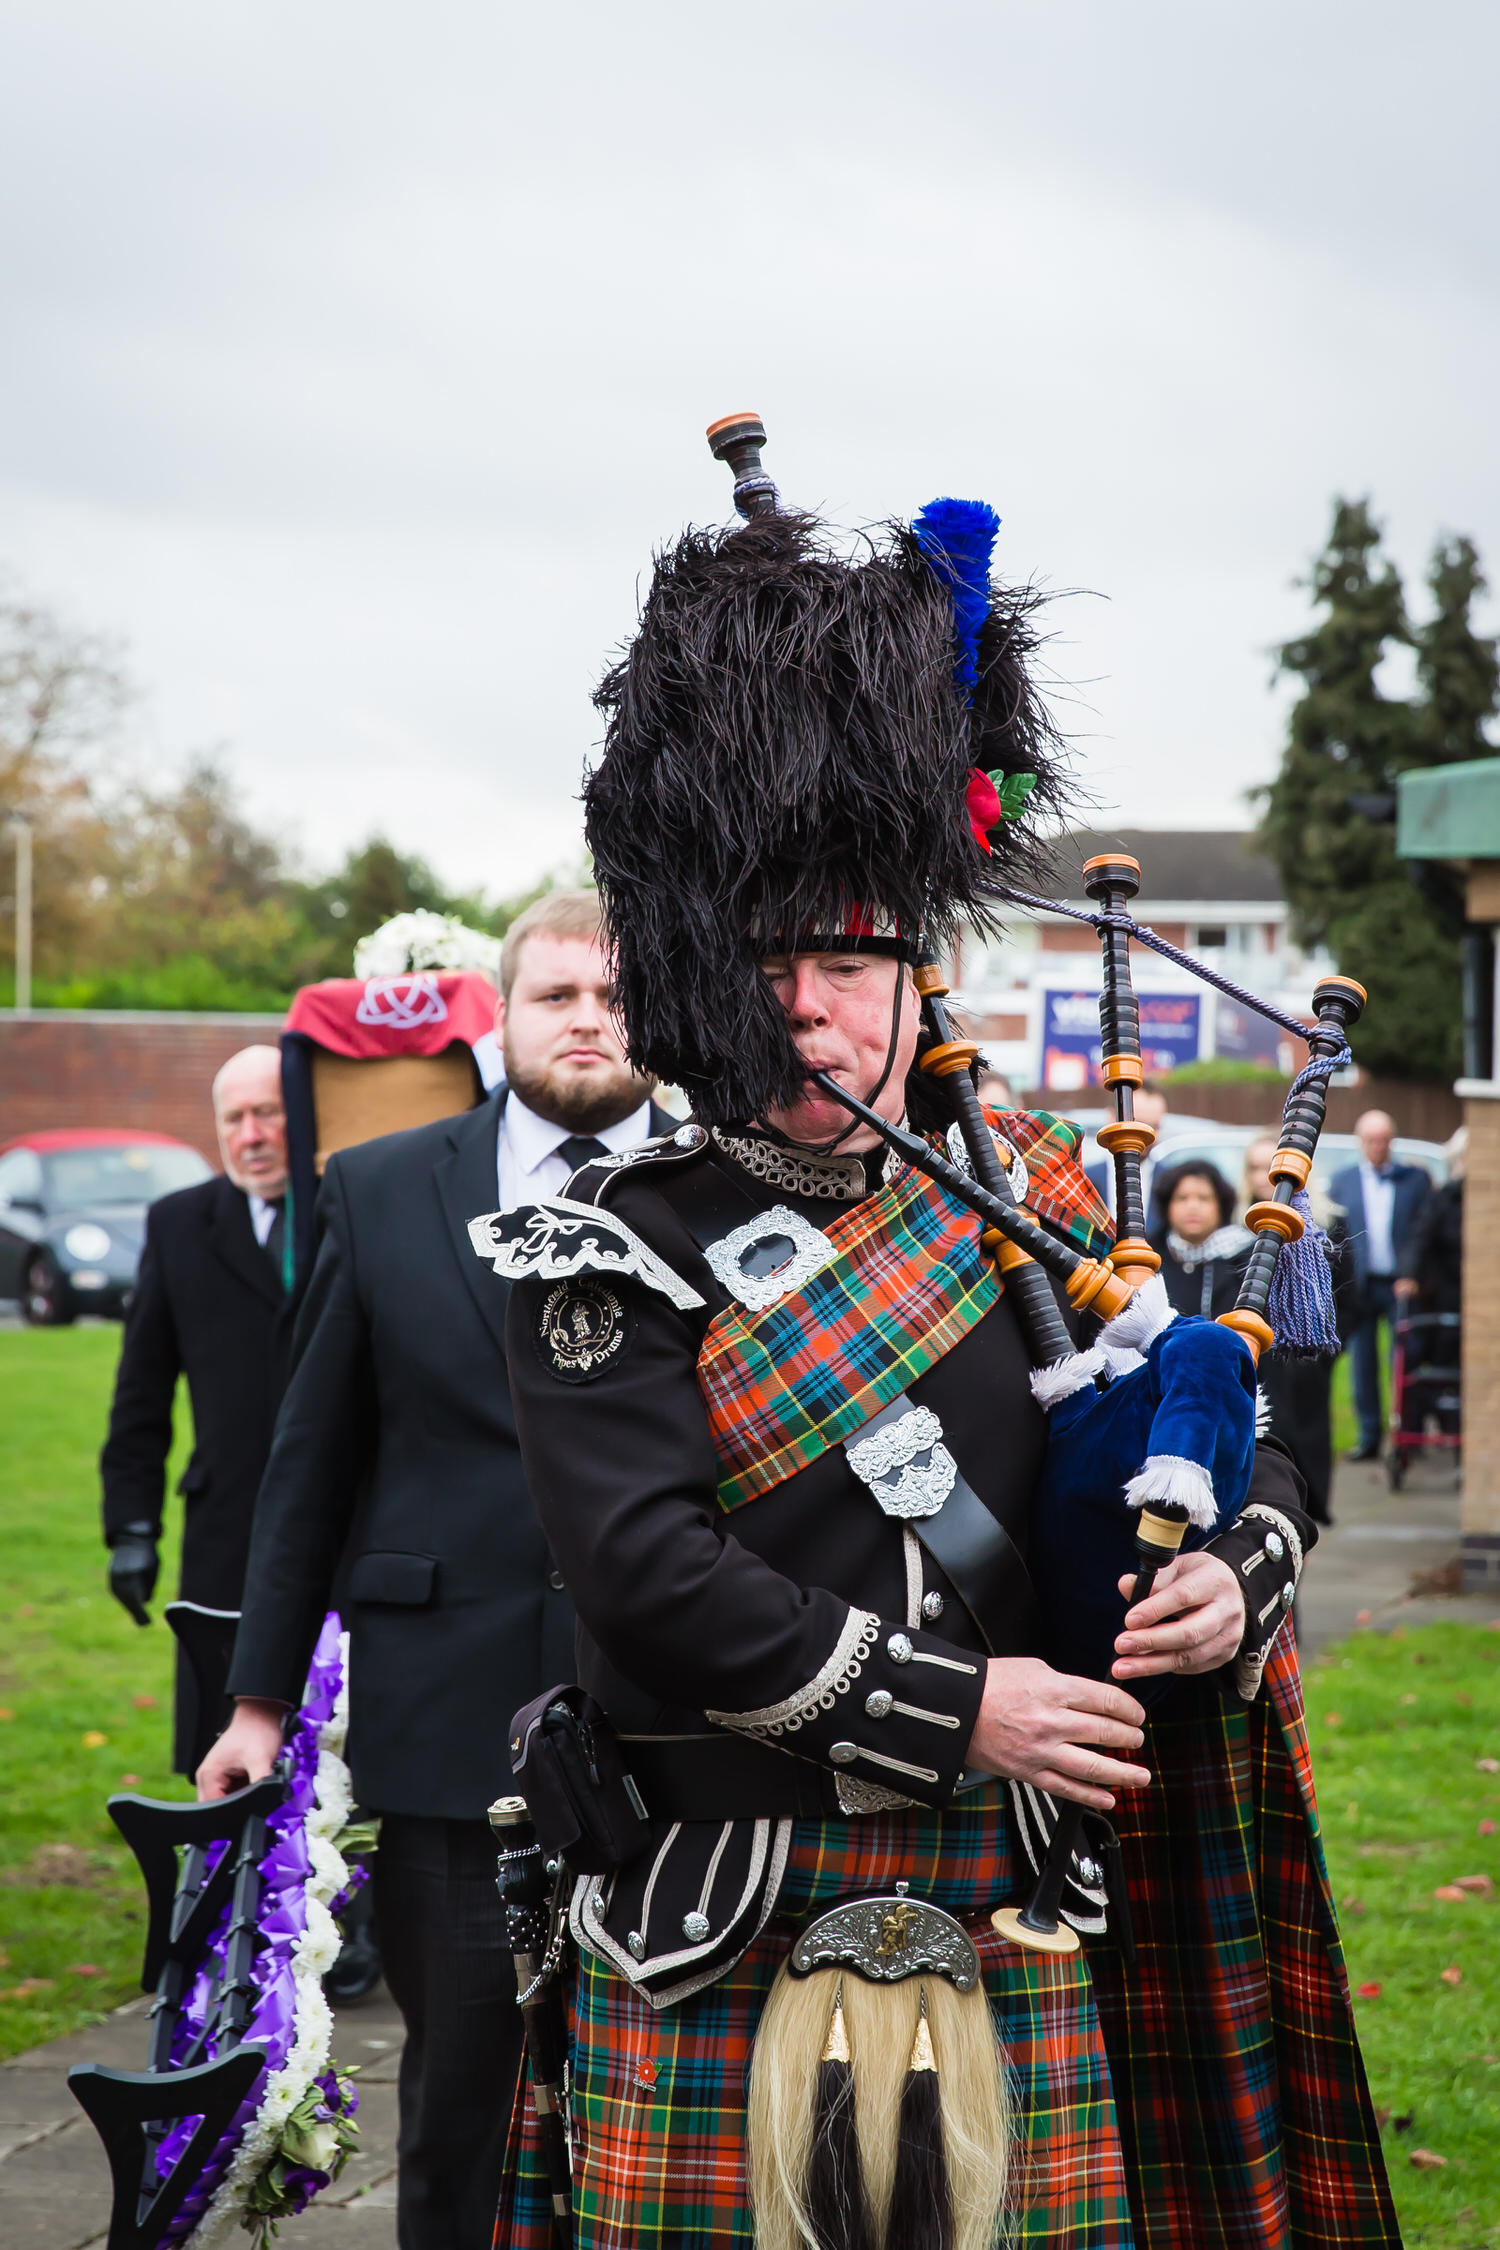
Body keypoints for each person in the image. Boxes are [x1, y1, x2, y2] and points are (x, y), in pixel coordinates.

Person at [491, 494, 1394, 2244]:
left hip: (1013, 1893)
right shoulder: (610, 1238)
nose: (813, 1006)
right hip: (729, 1908)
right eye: (772, 969)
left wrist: (1234, 1572)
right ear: (694, 982)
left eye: (850, 961)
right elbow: (646, 1573)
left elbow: (1239, 1432)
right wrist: (959, 1705)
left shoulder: (1041, 1196)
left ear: (921, 981)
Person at [197, 889, 679, 2250]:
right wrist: (256, 1704)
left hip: (678, 1721)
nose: (587, 1021)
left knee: (667, 2100)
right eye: (557, 996)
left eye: (615, 997)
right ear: (501, 1017)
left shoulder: (722, 1189)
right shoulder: (385, 1186)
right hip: (447, 1723)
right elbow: (309, 1467)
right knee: (463, 2089)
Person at [100, 1045, 294, 1774]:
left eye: (267, 1113)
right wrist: (132, 1526)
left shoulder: (351, 1215)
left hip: (349, 1533)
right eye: (233, 1118)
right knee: (223, 1736)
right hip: (226, 1534)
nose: (250, 1135)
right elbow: (140, 1393)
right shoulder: (179, 1224)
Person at [1243, 1133, 1345, 1524]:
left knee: (1306, 1467)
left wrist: (1321, 1350)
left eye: (1270, 1168)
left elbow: (1347, 1304)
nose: (1263, 1178)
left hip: (1306, 1369)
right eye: (1255, 1168)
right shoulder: (1240, 1235)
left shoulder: (1326, 1229)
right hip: (1259, 1368)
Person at [1329, 1109, 1431, 1460]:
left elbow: (1421, 1232)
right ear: (1360, 1143)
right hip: (1360, 1286)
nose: (1378, 1147)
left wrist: (1410, 1273)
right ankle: (1369, 1436)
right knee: (1362, 1362)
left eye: (1384, 1140)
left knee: (1405, 1358)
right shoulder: (1342, 1181)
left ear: (1393, 1142)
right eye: (1371, 1140)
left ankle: (1407, 1436)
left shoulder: (1413, 1180)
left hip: (1401, 1283)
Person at [1394, 1125, 1464, 1441]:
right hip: (1448, 1294)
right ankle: (1445, 1424)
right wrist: (1408, 1275)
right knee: (1439, 1361)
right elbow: (1420, 1238)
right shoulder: (1444, 1199)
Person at [1148, 1155, 1253, 1320]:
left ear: (1221, 1205)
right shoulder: (1149, 1256)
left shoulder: (1247, 1257)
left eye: (1204, 1198)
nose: (1192, 1207)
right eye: (1182, 1198)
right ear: (1167, 1205)